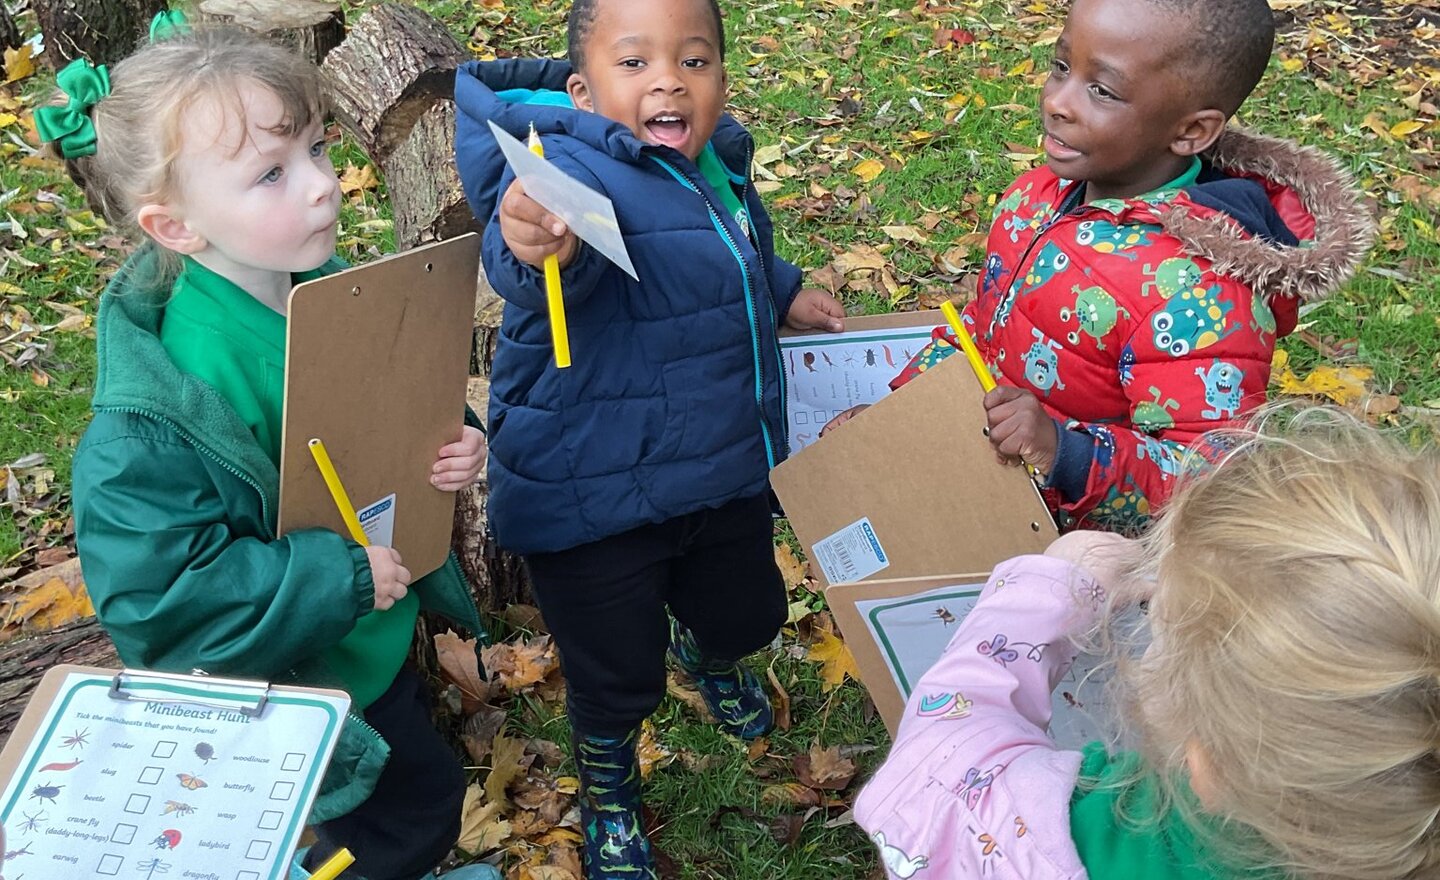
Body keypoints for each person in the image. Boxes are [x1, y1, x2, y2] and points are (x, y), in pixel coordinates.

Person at [49, 19, 497, 880]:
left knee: (422, 791)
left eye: (318, 151)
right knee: (388, 826)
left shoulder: (328, 297)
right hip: (297, 687)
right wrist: (342, 580)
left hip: (369, 645)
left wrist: (453, 445)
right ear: (173, 225)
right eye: (271, 174)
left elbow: (390, 413)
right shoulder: (155, 420)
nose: (326, 187)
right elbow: (160, 603)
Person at [453, 0, 846, 875]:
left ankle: (708, 658)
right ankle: (607, 781)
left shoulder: (715, 163)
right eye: (636, 64)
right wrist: (535, 240)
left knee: (746, 613)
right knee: (615, 673)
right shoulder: (566, 167)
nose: (669, 78)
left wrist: (779, 290)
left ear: (720, 79)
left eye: (694, 60)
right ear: (584, 92)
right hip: (597, 492)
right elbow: (539, 249)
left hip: (720, 467)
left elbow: (715, 249)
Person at [824, 0, 1372, 534]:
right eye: (1062, 66)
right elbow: (978, 334)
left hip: (1082, 570)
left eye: (1102, 90)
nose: (1058, 101)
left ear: (1190, 132)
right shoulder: (1034, 199)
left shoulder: (1201, 298)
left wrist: (1064, 450)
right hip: (981, 500)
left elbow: (1203, 482)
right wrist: (894, 421)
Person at [855, 407, 1440, 879]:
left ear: (1208, 766)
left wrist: (1048, 592)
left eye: (1159, 622)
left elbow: (934, 780)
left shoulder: (1096, 843)